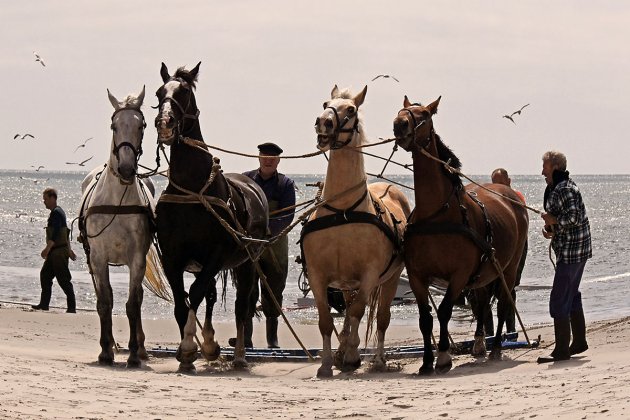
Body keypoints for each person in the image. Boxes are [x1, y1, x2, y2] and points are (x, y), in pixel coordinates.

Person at [234, 142, 296, 348]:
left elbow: (288, 216)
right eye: (265, 156)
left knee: (274, 291)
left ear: (278, 161)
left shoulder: (285, 184)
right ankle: (246, 338)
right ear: (259, 158)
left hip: (274, 245)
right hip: (249, 245)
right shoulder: (246, 180)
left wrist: (267, 232)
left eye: (273, 157)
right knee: (246, 289)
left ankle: (272, 340)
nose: (268, 160)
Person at [537, 151, 591, 363]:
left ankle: (561, 351)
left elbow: (574, 218)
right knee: (571, 293)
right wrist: (551, 228)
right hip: (572, 249)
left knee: (559, 297)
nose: (542, 171)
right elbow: (564, 219)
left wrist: (554, 220)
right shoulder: (558, 187)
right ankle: (578, 342)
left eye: (546, 167)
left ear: (556, 168)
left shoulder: (566, 188)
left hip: (573, 251)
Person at [491, 168, 528, 333]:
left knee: (508, 289)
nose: (498, 186)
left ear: (508, 182)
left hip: (517, 244)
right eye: (494, 183)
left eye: (501, 182)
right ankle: (487, 333)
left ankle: (511, 330)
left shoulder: (516, 196)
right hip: (497, 245)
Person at [32, 187, 77, 313]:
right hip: (56, 251)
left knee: (63, 279)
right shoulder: (57, 212)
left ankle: (72, 307)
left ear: (52, 198)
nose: (44, 201)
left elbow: (57, 233)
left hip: (57, 252)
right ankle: (44, 304)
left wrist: (47, 249)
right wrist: (69, 250)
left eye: (45, 199)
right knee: (45, 275)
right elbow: (65, 233)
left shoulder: (57, 212)